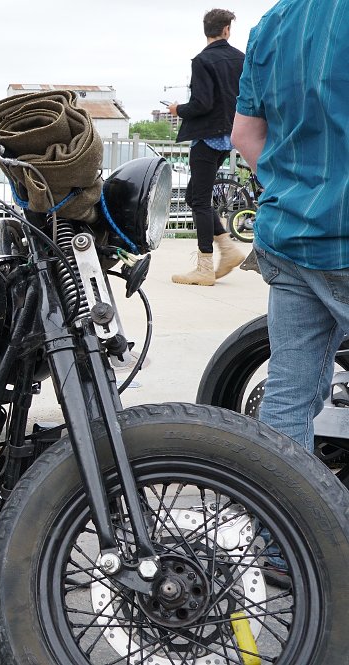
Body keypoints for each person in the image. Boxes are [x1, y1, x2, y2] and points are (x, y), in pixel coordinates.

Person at [231, 0, 349, 590]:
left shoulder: (272, 24)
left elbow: (244, 135)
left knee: (289, 399)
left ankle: (282, 549)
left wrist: (290, 187)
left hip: (288, 232)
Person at [168, 8, 246, 287]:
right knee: (194, 196)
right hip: (230, 135)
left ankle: (204, 267)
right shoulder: (241, 59)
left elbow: (202, 104)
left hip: (207, 138)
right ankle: (228, 249)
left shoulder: (202, 60)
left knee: (199, 200)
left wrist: (178, 109)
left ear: (206, 30)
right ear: (227, 30)